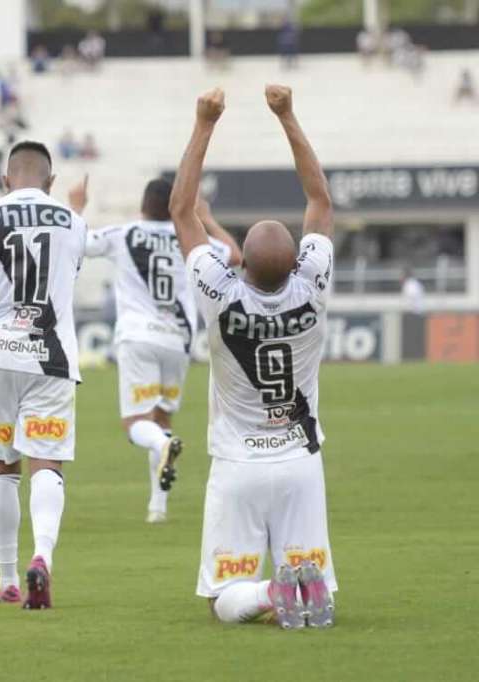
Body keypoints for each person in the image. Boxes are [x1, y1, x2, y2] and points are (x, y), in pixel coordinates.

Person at [170, 86, 338, 629]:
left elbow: (181, 210)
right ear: (295, 264)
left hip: (239, 464)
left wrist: (204, 123)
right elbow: (320, 203)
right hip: (300, 463)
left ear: (244, 265)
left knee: (224, 597)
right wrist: (288, 115)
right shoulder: (312, 286)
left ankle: (270, 589)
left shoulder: (219, 294)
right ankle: (301, 583)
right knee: (309, 569)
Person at [0, 141, 87, 609]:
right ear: (51, 182)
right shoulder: (73, 222)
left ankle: (7, 579)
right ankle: (41, 557)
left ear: (6, 179)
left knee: (1, 466)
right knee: (46, 462)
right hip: (52, 359)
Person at [71, 176, 240, 524]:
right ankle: (157, 509)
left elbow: (77, 243)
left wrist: (77, 206)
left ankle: (163, 447)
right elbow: (235, 255)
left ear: (143, 204)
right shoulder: (190, 238)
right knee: (161, 419)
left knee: (137, 423)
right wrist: (204, 217)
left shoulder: (124, 234)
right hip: (177, 341)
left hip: (138, 336)